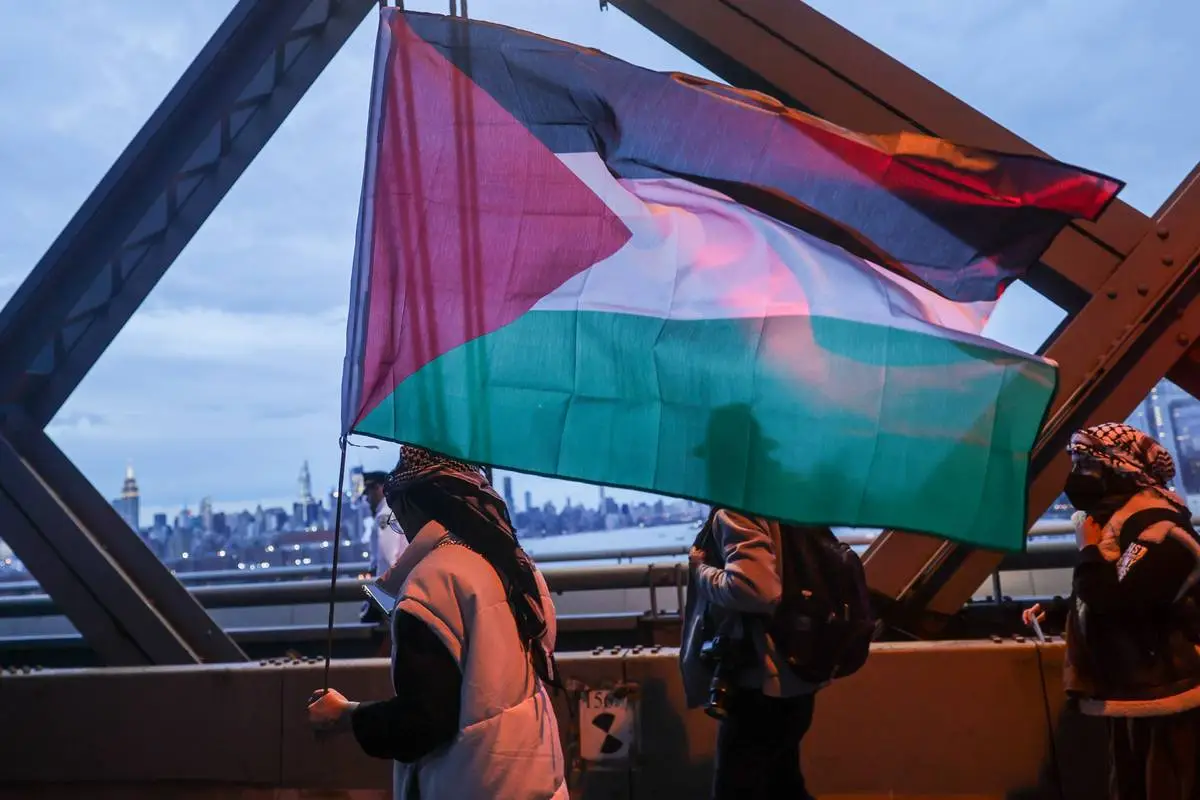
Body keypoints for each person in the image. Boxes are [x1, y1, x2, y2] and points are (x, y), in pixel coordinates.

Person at [307, 445, 567, 800]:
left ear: (415, 504)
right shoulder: (514, 562)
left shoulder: (432, 582)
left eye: (400, 516)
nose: (404, 530)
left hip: (471, 783)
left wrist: (346, 716)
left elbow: (423, 723)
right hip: (533, 773)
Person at [1024, 423, 1200, 799]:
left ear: (1122, 469)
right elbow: (1119, 590)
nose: (1077, 477)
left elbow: (1116, 599)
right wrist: (1057, 612)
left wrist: (1088, 551)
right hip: (1137, 691)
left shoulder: (1160, 531)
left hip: (1168, 695)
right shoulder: (1121, 527)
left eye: (1088, 465)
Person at [680, 508, 820, 800]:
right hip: (794, 672)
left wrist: (700, 570)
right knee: (783, 786)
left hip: (757, 685)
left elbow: (754, 588)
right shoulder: (785, 508)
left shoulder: (736, 510)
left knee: (737, 789)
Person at [360, 470, 404, 625]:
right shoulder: (395, 510)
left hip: (391, 594)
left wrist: (382, 601)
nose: (367, 499)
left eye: (369, 493)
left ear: (379, 488)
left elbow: (389, 560)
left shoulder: (385, 515)